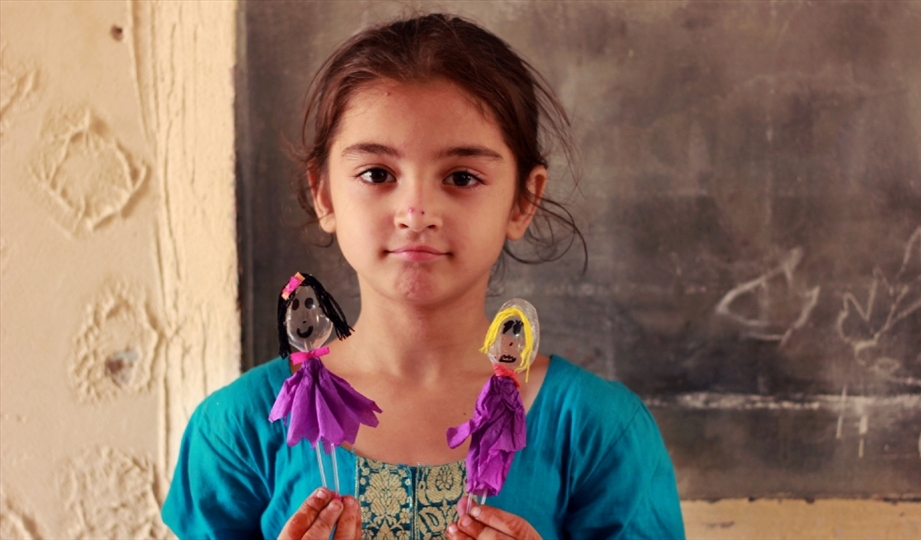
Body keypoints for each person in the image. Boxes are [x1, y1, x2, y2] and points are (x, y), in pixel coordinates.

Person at [162, 13, 685, 540]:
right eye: (377, 174)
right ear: (324, 195)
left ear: (524, 200)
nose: (416, 211)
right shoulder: (241, 427)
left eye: (462, 177)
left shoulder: (599, 431)